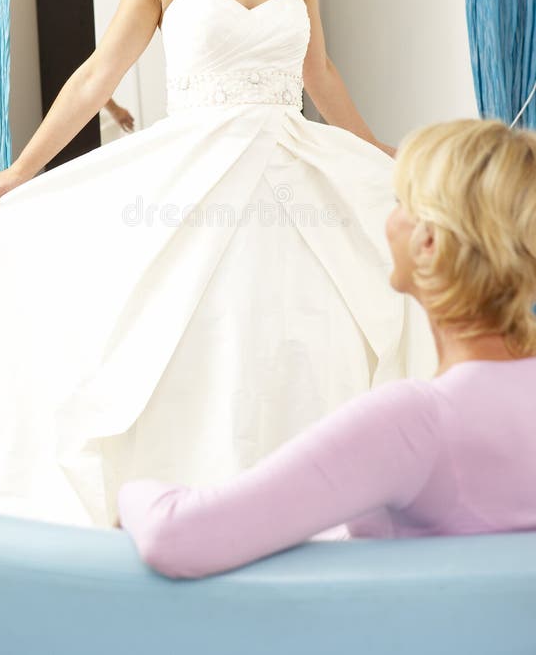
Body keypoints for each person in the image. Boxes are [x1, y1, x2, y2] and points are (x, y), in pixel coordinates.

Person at [0, 0, 435, 528]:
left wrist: (376, 153)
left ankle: (310, 507)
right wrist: (23, 167)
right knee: (189, 332)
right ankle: (194, 508)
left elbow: (322, 73)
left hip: (291, 161)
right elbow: (96, 75)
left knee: (311, 327)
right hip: (197, 169)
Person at [118, 118, 536, 578]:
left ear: (429, 242)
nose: (388, 218)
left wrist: (130, 494)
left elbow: (176, 536)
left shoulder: (417, 421)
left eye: (400, 203)